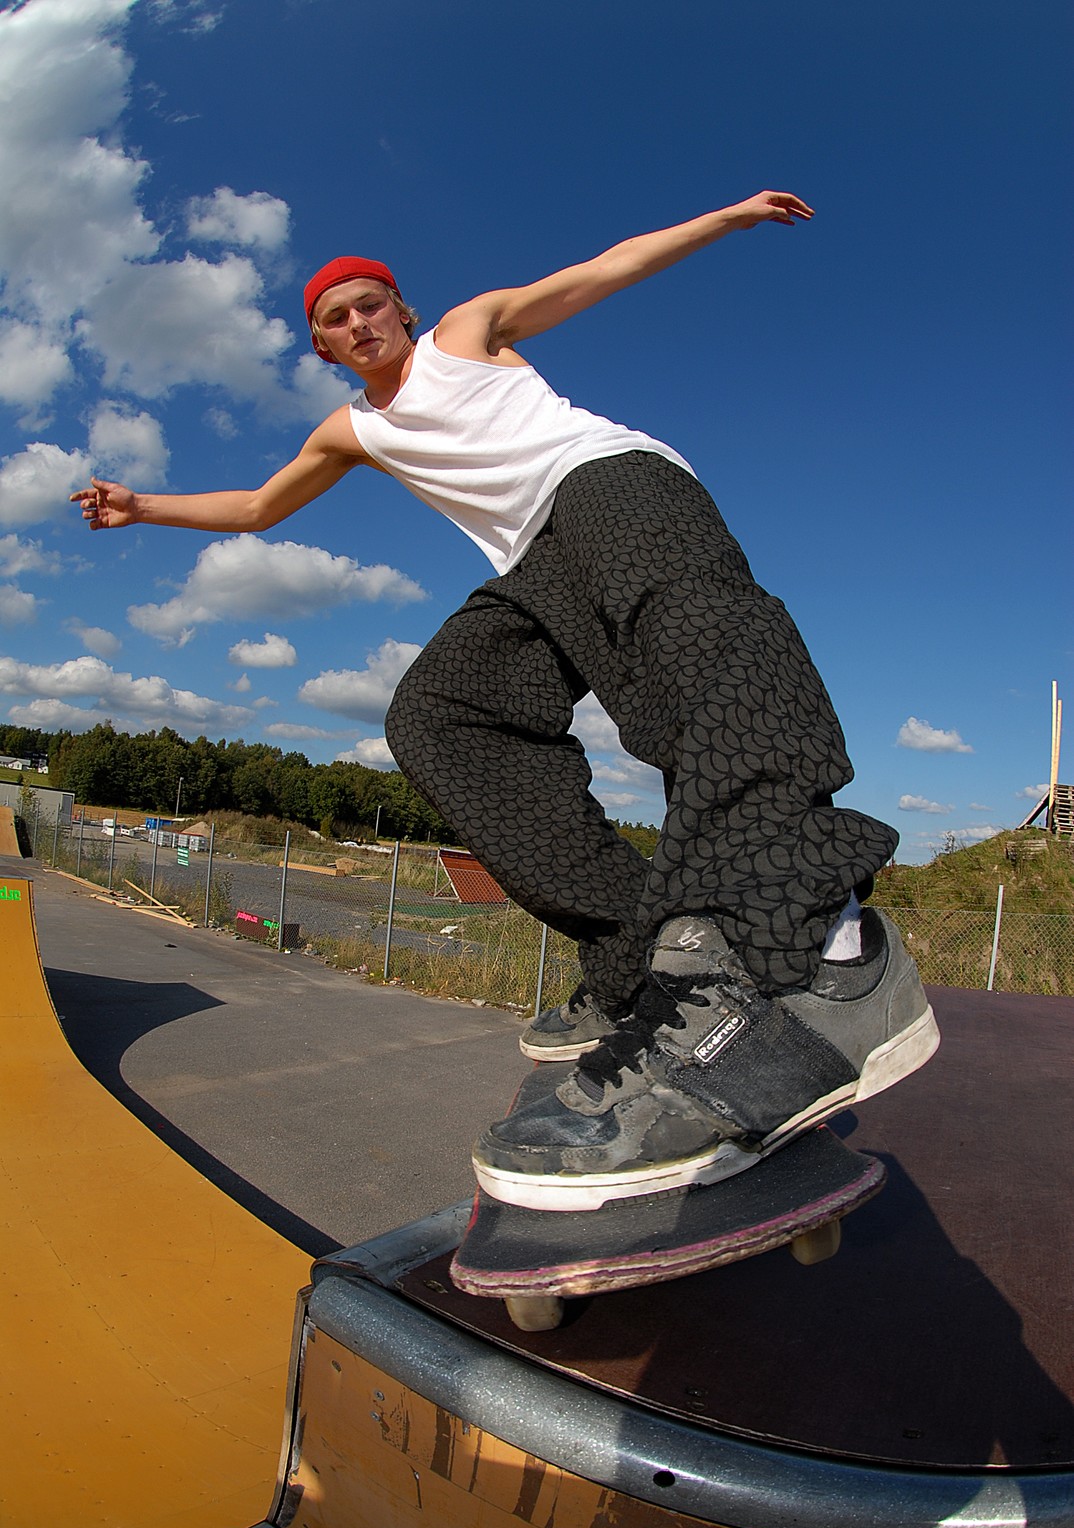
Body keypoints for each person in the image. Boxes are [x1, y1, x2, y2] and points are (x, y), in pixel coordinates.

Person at [72, 191, 939, 1213]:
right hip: (533, 564)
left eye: (370, 304)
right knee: (443, 713)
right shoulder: (350, 429)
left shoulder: (465, 332)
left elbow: (602, 269)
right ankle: (634, 953)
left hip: (613, 487)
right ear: (324, 348)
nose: (359, 323)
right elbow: (261, 507)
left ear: (402, 310)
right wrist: (143, 508)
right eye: (336, 320)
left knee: (692, 644)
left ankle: (816, 945)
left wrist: (723, 219)